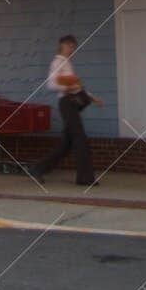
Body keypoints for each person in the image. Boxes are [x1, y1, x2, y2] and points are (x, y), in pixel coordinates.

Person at [31, 34, 102, 187]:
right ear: (62, 45)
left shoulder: (67, 63)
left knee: (67, 144)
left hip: (72, 103)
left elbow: (76, 86)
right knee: (80, 139)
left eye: (73, 46)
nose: (72, 49)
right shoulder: (57, 63)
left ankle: (38, 169)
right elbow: (51, 85)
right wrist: (67, 87)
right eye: (70, 46)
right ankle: (85, 178)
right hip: (67, 103)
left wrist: (91, 97)